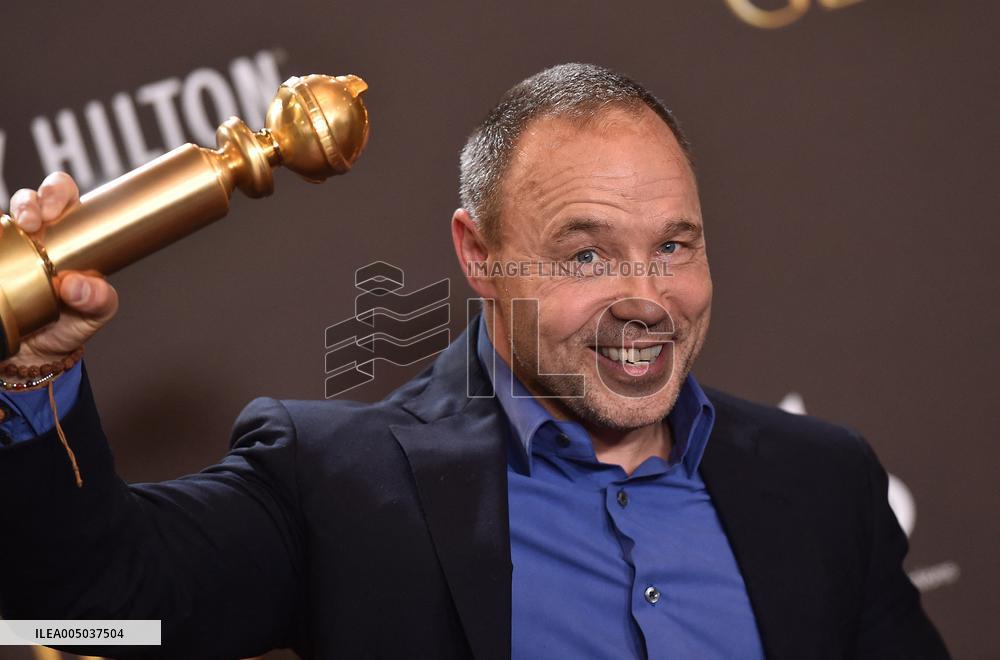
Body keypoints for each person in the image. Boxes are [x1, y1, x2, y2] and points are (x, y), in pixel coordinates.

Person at [0, 63, 948, 659]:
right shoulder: (339, 485)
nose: (648, 300)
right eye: (585, 254)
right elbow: (88, 613)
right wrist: (30, 376)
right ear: (479, 256)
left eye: (675, 246)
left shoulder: (824, 482)